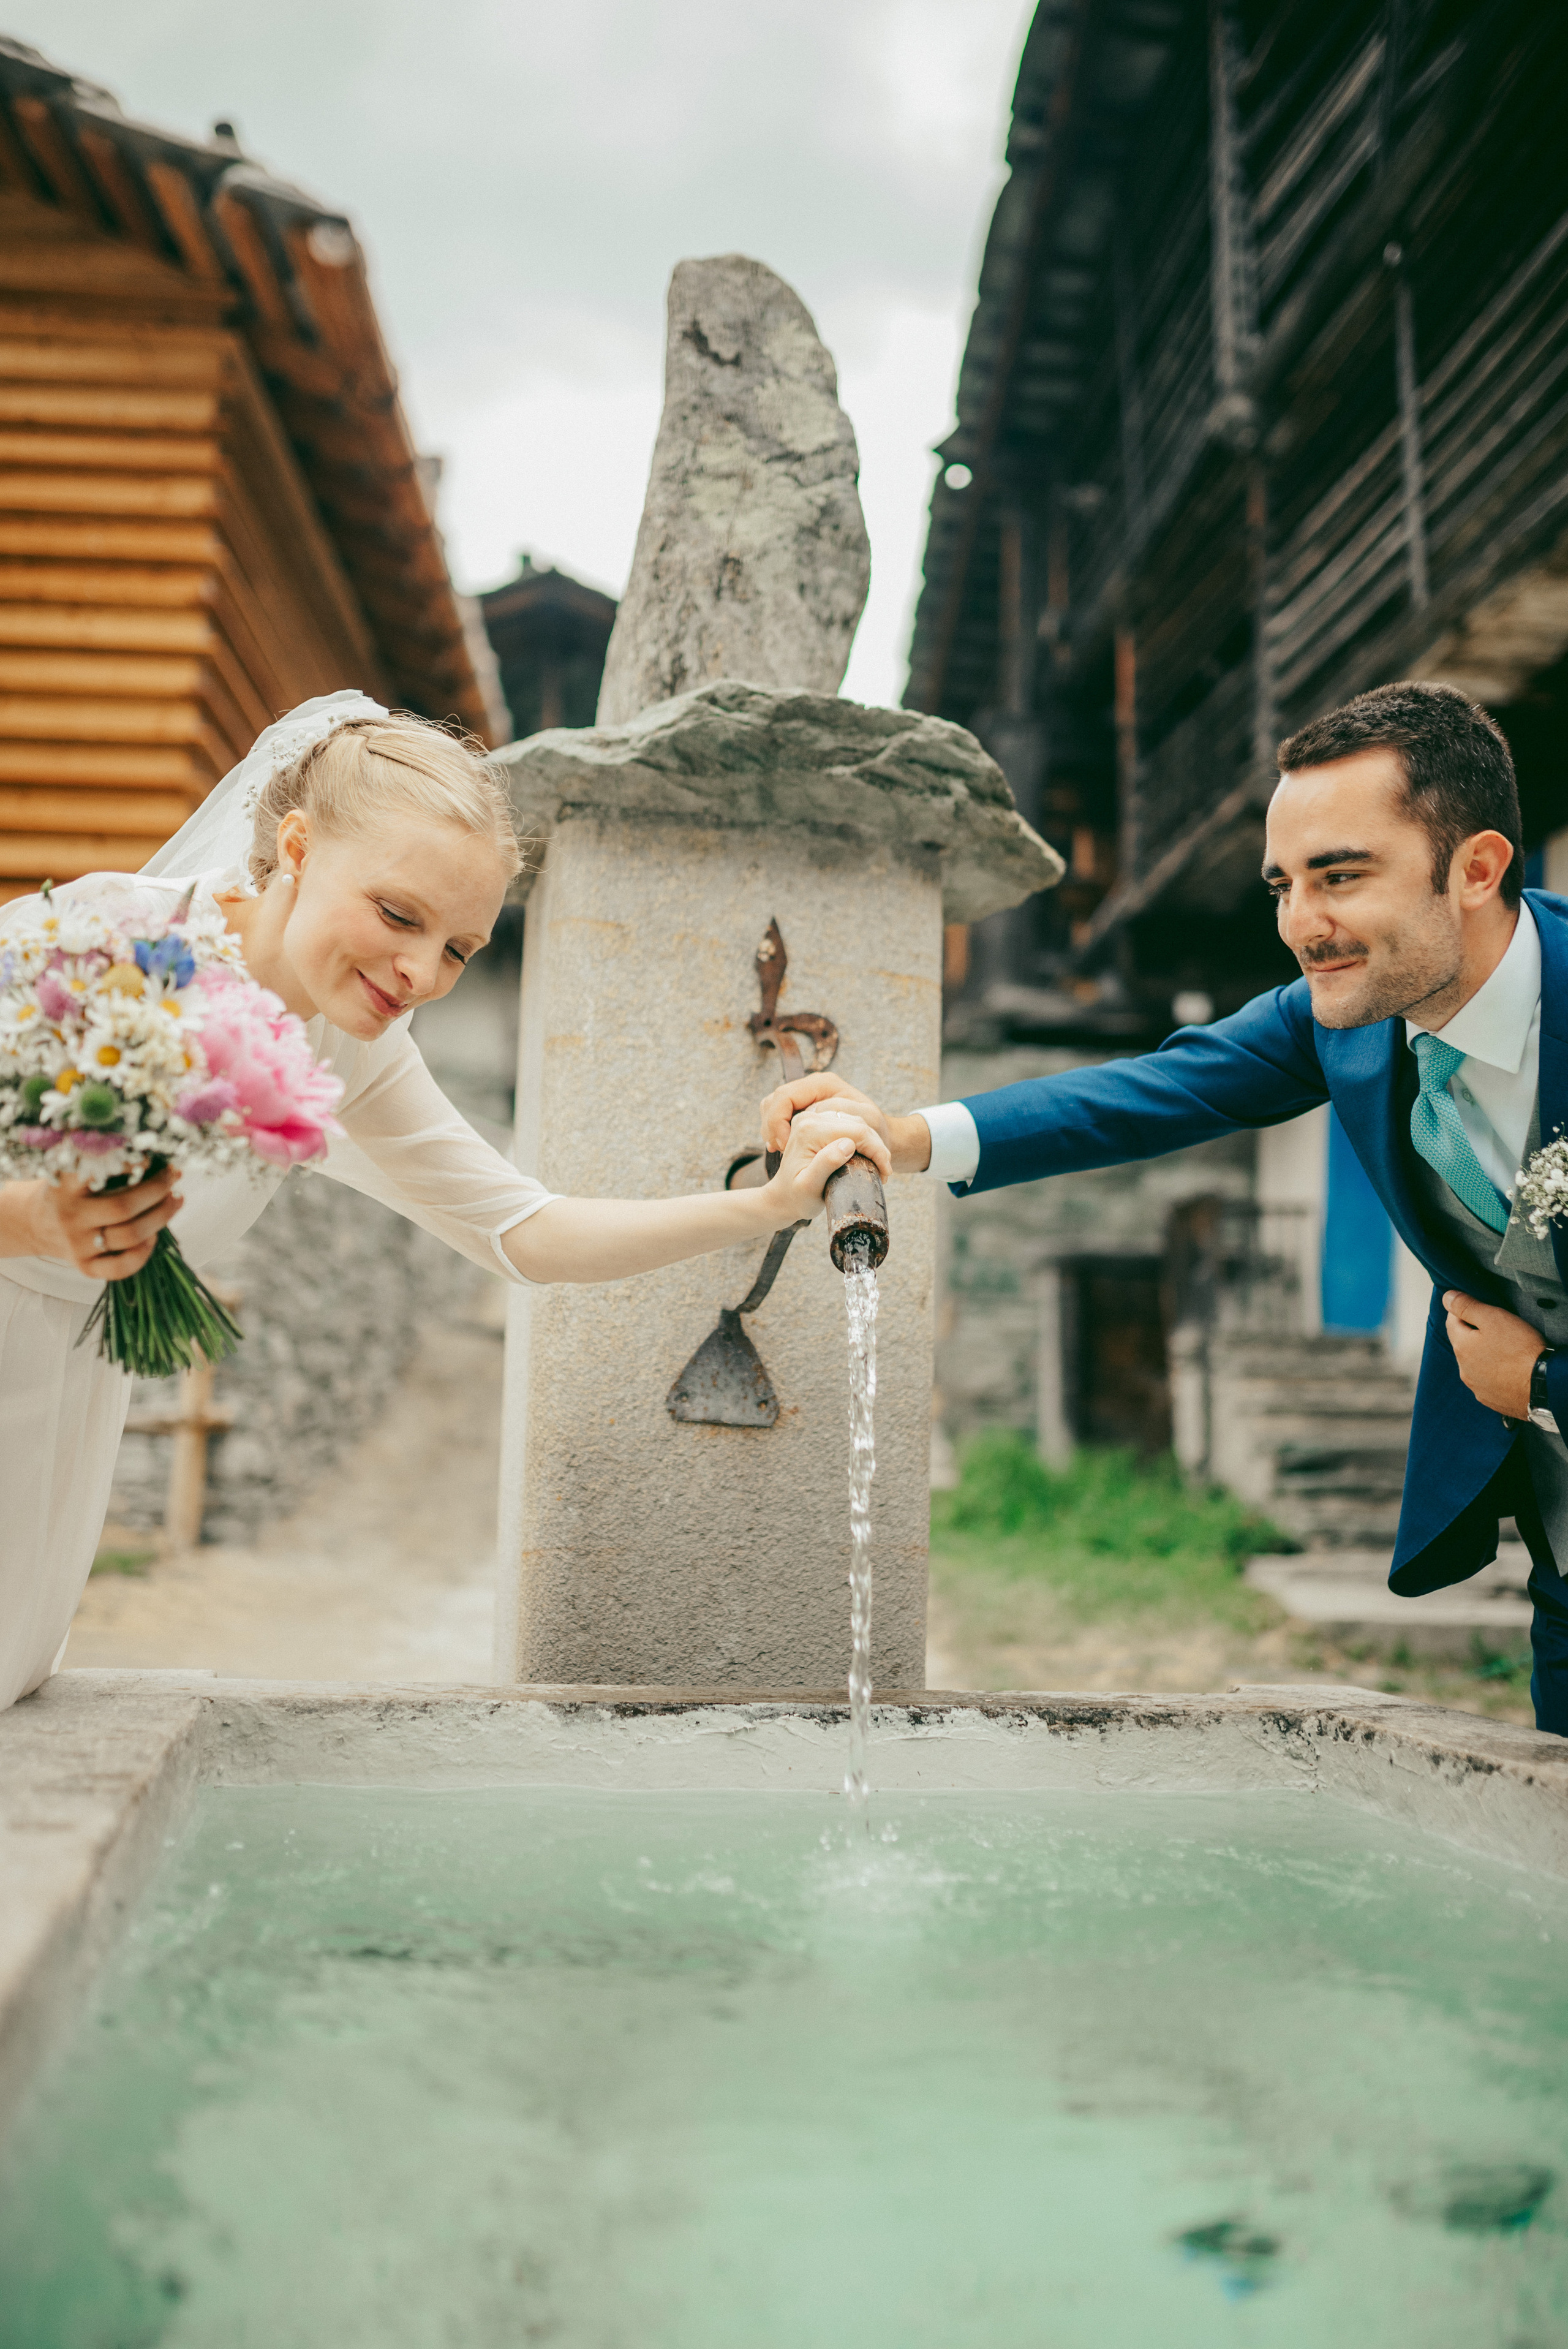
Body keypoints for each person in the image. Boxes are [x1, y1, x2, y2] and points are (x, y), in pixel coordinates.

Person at [0, 692, 886, 1714]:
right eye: (398, 914)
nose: (421, 971)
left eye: (461, 950)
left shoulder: (352, 1049)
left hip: (70, 1397)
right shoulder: (99, 942)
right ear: (295, 845)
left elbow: (525, 1230)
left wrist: (767, 1206)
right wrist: (31, 1220)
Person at [766, 678, 1568, 1736]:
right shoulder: (1347, 1011)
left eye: (1340, 876)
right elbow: (1149, 1093)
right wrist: (902, 1135)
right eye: (1283, 883)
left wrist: (1542, 1379)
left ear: (1476, 868)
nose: (1300, 925)